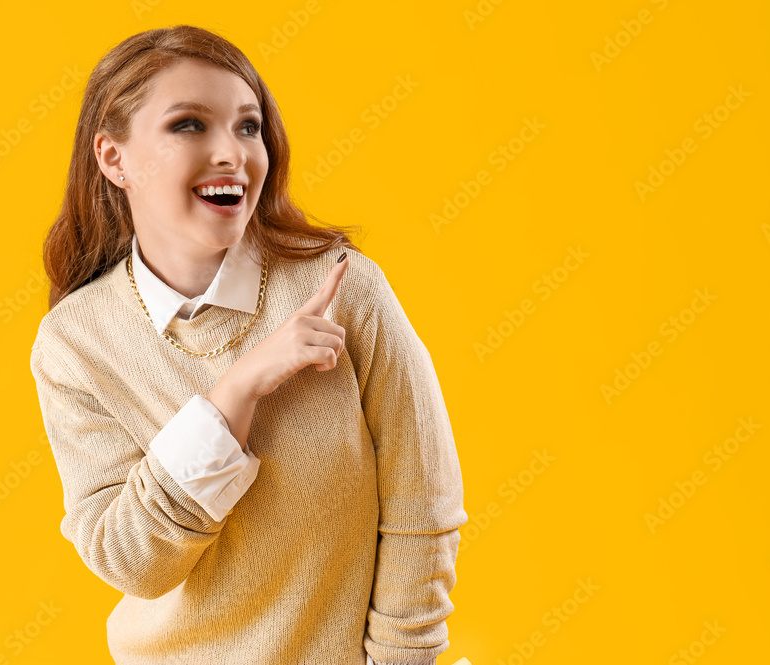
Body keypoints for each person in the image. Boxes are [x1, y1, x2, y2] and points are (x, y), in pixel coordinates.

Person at [29, 25, 466, 665]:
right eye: (188, 125)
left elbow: (422, 514)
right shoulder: (75, 345)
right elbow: (132, 563)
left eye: (248, 126)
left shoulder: (346, 288)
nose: (232, 153)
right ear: (112, 158)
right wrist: (235, 392)